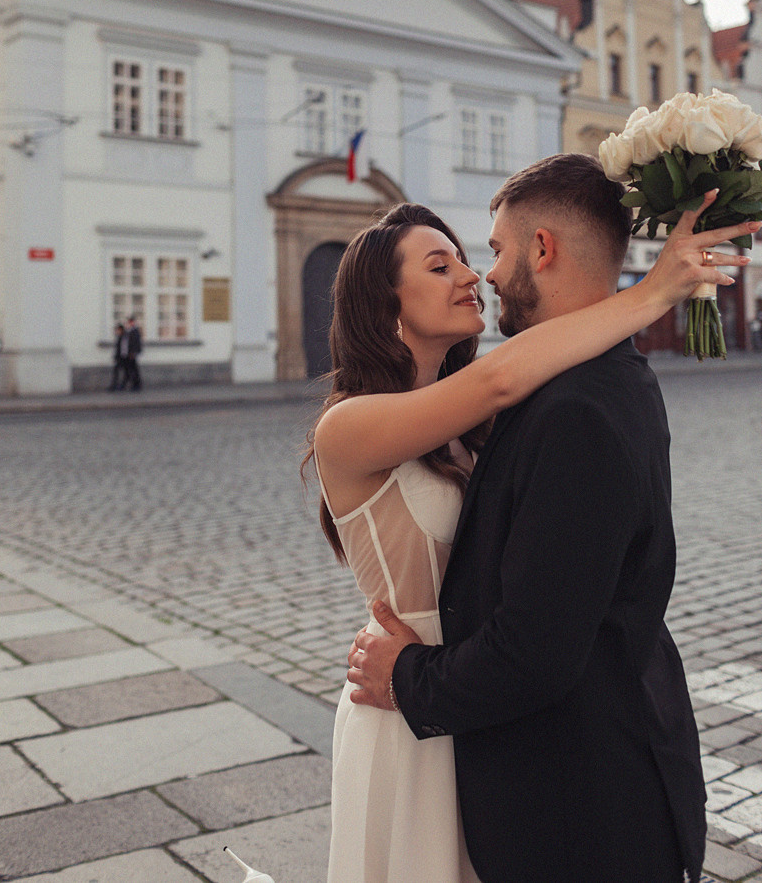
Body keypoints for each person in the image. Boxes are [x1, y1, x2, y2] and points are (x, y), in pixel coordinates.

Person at [309, 161, 755, 883]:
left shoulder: (488, 417)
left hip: (458, 698)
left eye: (477, 253)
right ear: (383, 299)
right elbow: (503, 375)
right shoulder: (353, 426)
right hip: (411, 700)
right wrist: (652, 290)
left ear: (541, 249)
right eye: (440, 262)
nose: (474, 275)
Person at [123, 315, 142, 390]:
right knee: (131, 369)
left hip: (132, 353)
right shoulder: (129, 330)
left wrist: (133, 352)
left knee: (134, 370)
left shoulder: (135, 331)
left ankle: (136, 384)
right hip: (129, 353)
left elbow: (135, 343)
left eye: (130, 322)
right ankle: (134, 384)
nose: (129, 323)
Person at [108, 323, 128, 391]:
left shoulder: (123, 337)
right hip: (120, 357)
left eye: (118, 330)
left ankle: (120, 385)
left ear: (121, 330)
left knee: (124, 372)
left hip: (122, 358)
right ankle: (117, 385)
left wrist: (122, 357)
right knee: (118, 372)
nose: (117, 331)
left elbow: (123, 348)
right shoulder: (120, 337)